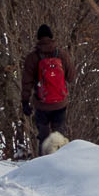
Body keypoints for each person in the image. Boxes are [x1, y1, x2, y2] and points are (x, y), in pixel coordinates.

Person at [20, 25, 76, 154]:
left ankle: (42, 168)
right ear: (51, 37)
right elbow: (71, 77)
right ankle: (61, 166)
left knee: (44, 139)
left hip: (41, 104)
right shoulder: (61, 54)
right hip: (60, 103)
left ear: (38, 38)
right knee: (60, 139)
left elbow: (27, 82)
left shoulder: (32, 58)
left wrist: (25, 102)